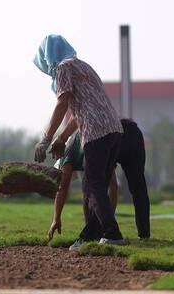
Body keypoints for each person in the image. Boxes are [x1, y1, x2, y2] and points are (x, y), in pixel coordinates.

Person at [33, 34, 124, 251]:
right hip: (114, 129)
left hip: (95, 132)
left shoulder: (63, 68)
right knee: (98, 186)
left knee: (93, 185)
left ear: (48, 57)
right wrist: (62, 139)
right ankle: (94, 234)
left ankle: (112, 234)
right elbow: (77, 112)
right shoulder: (84, 66)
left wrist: (45, 140)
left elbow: (62, 104)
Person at [47, 119, 151, 242]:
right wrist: (108, 217)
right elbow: (113, 186)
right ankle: (144, 234)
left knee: (90, 189)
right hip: (130, 133)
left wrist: (56, 218)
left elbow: (62, 188)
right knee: (138, 186)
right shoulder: (82, 150)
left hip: (112, 134)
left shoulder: (67, 156)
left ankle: (93, 235)